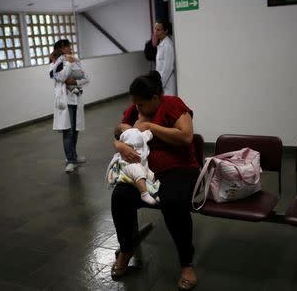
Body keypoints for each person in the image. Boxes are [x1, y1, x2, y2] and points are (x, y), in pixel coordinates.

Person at [110, 71, 200, 290]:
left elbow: (186, 136)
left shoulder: (172, 104)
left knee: (172, 201)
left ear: (156, 98)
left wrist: (151, 127)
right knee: (120, 195)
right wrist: (120, 146)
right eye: (135, 105)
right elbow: (119, 134)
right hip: (147, 172)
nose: (137, 109)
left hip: (179, 168)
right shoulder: (135, 109)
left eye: (141, 105)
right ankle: (126, 247)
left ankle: (186, 264)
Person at [49, 39, 89, 173]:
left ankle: (74, 156)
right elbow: (60, 77)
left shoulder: (75, 60)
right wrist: (69, 65)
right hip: (65, 102)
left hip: (75, 99)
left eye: (70, 46)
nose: (70, 48)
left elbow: (86, 77)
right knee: (68, 131)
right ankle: (70, 160)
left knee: (75, 131)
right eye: (67, 47)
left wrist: (75, 80)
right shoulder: (55, 63)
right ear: (60, 49)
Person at [107, 123, 160, 205]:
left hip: (142, 162)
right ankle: (144, 194)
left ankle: (153, 192)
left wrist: (148, 133)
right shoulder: (127, 134)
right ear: (123, 130)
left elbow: (143, 137)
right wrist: (147, 133)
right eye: (126, 125)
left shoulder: (136, 132)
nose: (129, 125)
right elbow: (138, 138)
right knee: (138, 173)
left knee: (150, 175)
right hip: (130, 163)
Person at [154, 19, 177, 96]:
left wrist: (159, 85)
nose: (155, 32)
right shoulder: (161, 43)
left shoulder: (167, 45)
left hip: (167, 84)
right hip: (162, 83)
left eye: (158, 30)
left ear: (166, 31)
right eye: (155, 29)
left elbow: (168, 68)